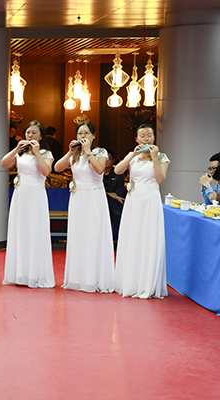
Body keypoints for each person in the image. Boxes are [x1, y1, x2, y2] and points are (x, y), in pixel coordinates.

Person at [54, 121, 115, 293]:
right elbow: (57, 168)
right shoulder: (74, 154)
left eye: (86, 133)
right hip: (78, 197)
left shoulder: (99, 152)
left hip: (94, 196)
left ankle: (93, 278)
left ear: (93, 136)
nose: (83, 136)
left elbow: (99, 169)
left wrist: (88, 152)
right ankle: (78, 278)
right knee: (78, 235)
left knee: (93, 234)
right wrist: (70, 152)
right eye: (80, 133)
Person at [113, 124, 170, 299]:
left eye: (149, 135)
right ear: (137, 139)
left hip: (150, 200)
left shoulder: (161, 157)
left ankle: (147, 283)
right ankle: (130, 281)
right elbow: (117, 170)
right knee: (133, 237)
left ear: (154, 138)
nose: (146, 138)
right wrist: (132, 154)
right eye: (142, 136)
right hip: (134, 200)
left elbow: (160, 179)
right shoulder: (133, 157)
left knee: (149, 238)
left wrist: (154, 158)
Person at [1, 120, 55, 288]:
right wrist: (17, 148)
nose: (30, 135)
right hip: (21, 194)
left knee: (35, 230)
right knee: (20, 230)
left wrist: (37, 153)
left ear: (41, 136)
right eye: (28, 132)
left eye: (34, 132)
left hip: (36, 194)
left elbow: (46, 171)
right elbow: (4, 163)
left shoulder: (46, 153)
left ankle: (35, 274)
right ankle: (20, 273)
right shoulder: (21, 152)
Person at [103, 149, 127, 241]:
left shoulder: (118, 173)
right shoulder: (97, 173)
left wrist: (110, 195)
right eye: (104, 158)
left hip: (115, 202)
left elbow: (119, 193)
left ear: (113, 160)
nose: (106, 160)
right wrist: (111, 195)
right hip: (101, 201)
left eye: (108, 158)